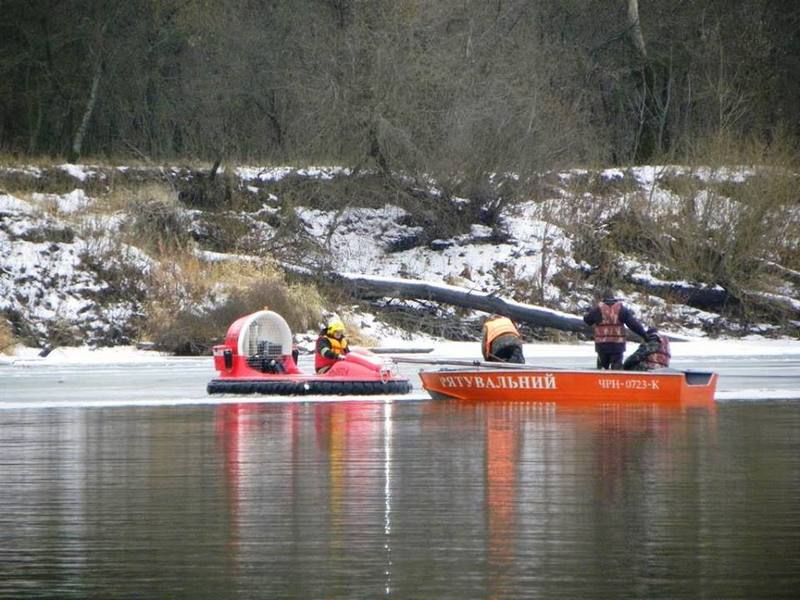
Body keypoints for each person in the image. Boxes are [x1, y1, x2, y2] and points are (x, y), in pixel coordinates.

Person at [583, 289, 647, 370]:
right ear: (613, 297)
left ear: (603, 298)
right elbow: (633, 324)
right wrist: (644, 335)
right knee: (616, 369)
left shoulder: (598, 309)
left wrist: (588, 312)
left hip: (602, 345)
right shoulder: (621, 309)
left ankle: (601, 380)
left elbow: (587, 320)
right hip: (617, 345)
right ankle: (615, 381)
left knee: (602, 369)